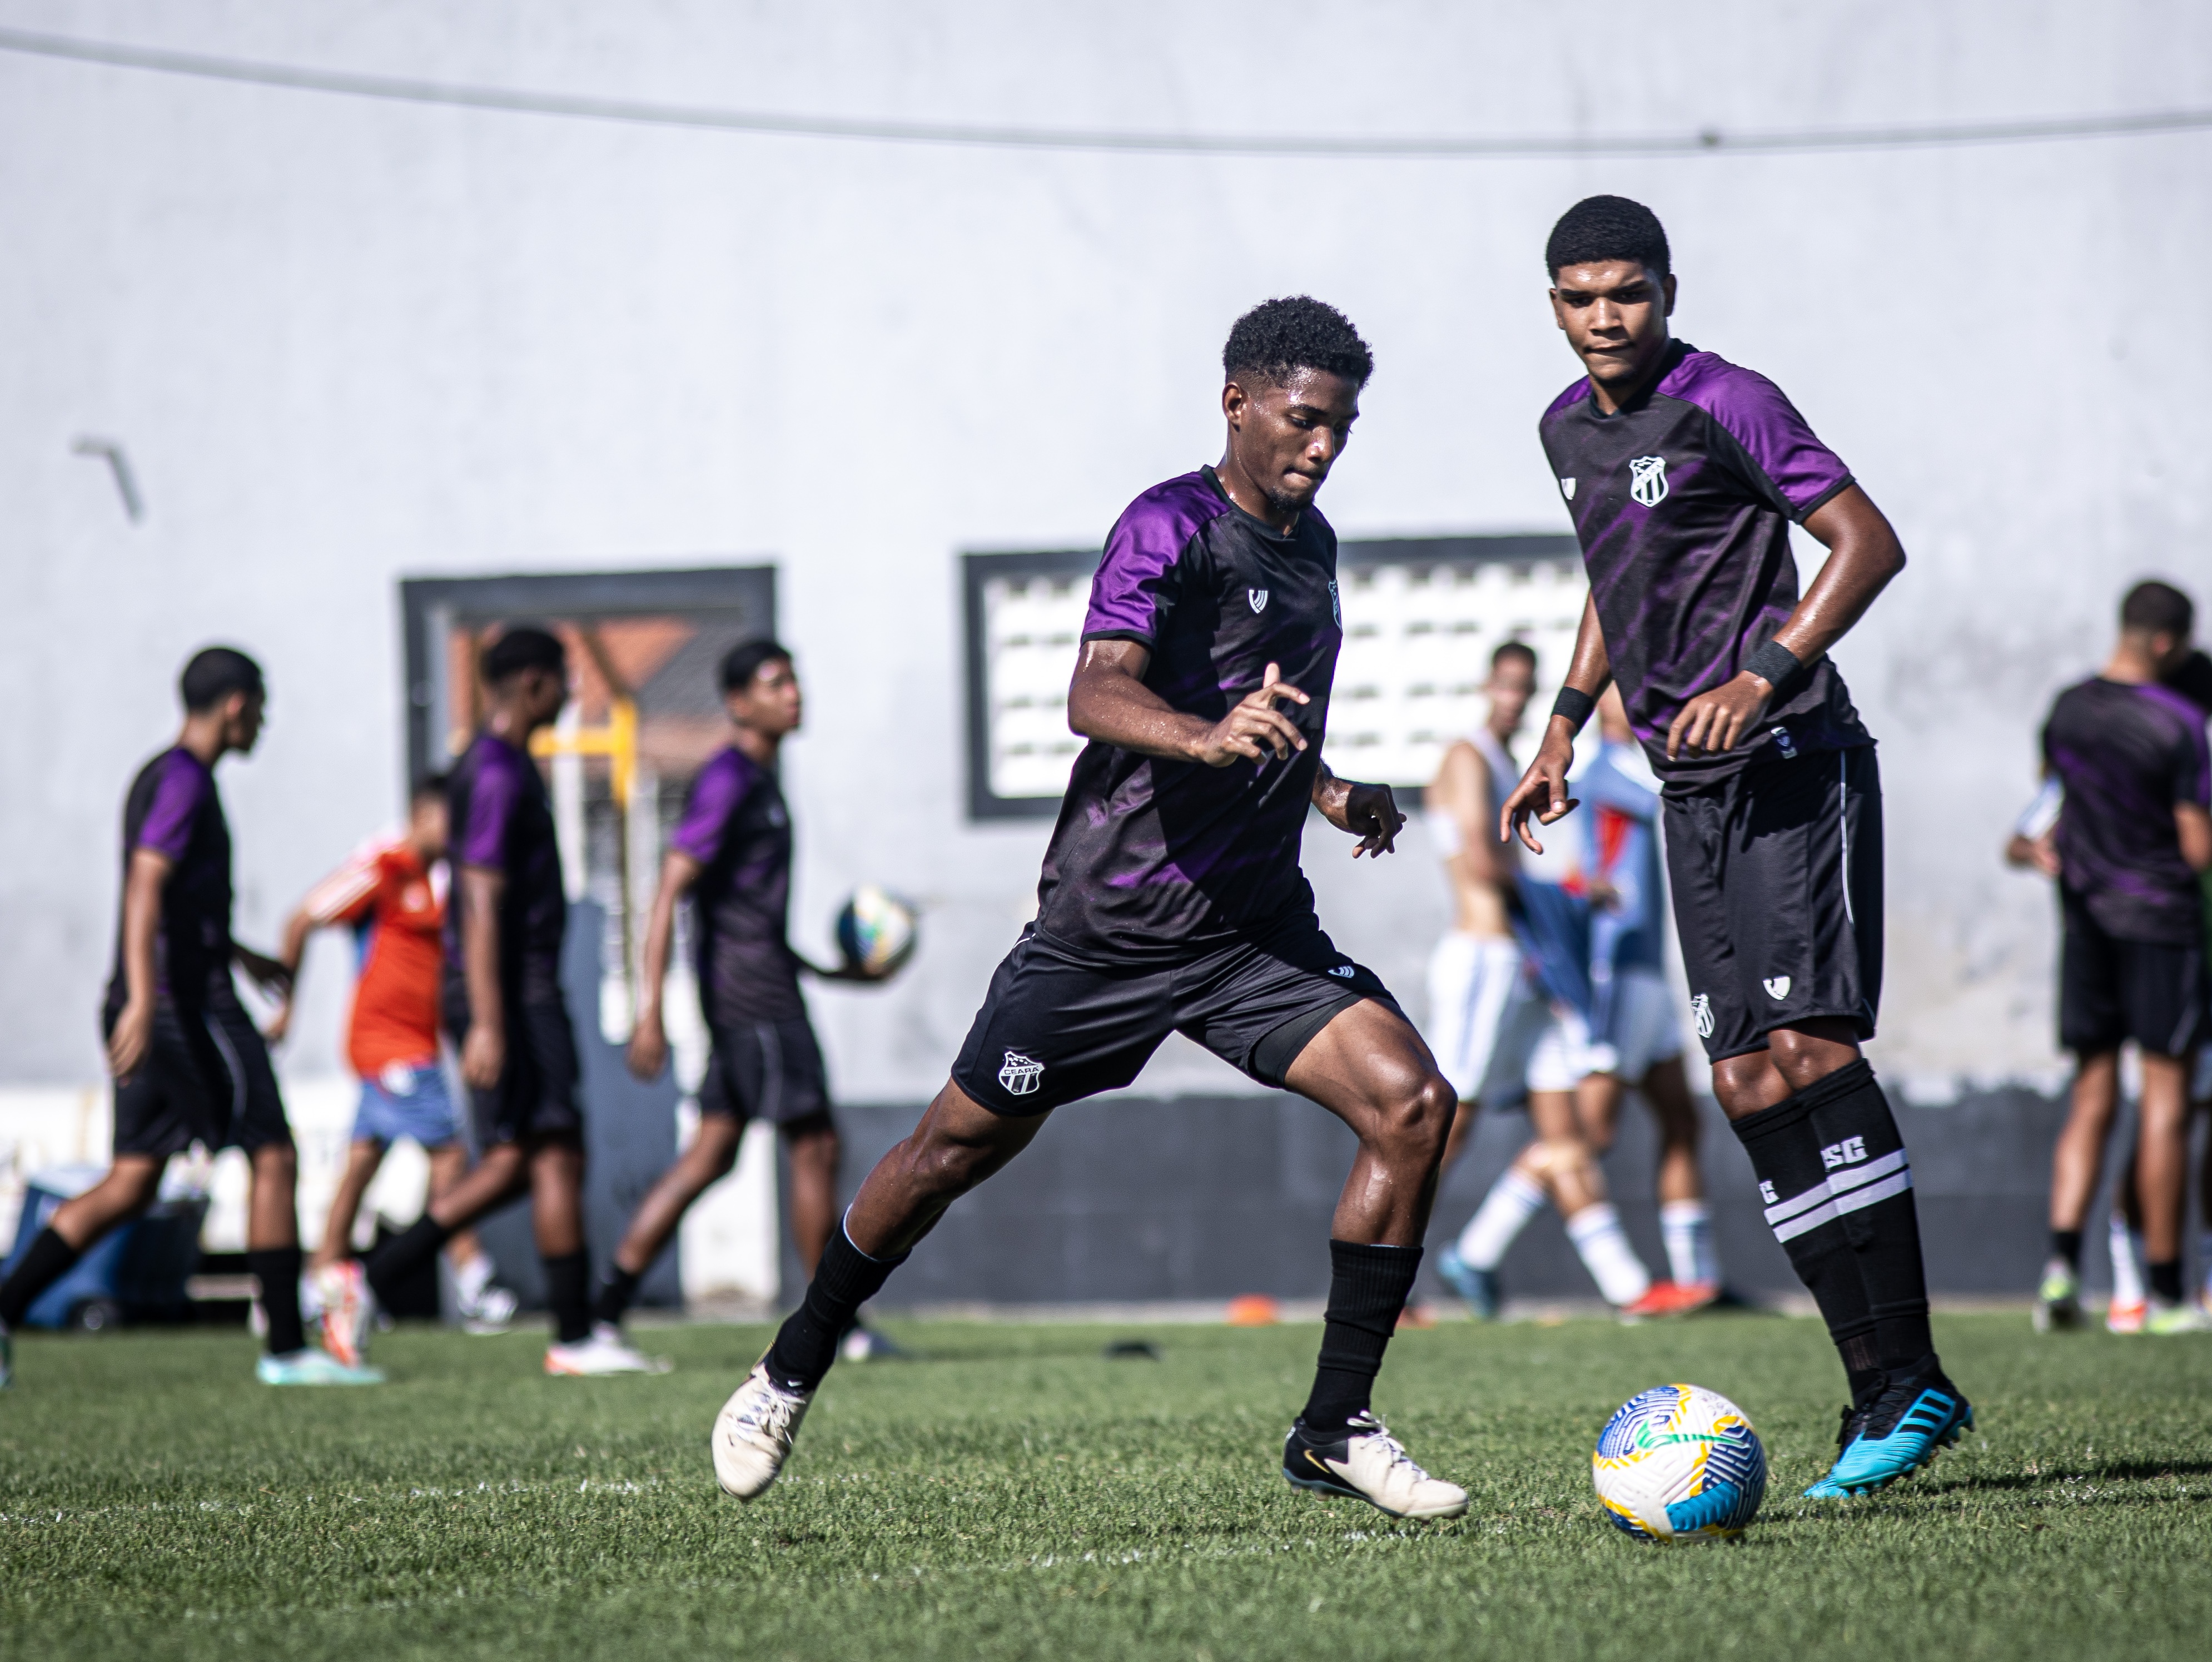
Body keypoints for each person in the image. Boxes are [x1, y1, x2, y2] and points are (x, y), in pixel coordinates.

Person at [709, 296, 1470, 1521]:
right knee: (951, 1152)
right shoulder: (1166, 525)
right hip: (1106, 932)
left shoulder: (1313, 545)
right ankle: (789, 1368)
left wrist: (1325, 784)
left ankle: (1334, 1426)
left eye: (1342, 427)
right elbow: (1093, 692)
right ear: (1238, 401)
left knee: (1415, 1106)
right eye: (1304, 419)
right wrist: (1203, 737)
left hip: (1250, 935)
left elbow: (1270, 705)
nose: (1323, 446)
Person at [1501, 195, 1960, 1499]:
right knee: (1746, 1086)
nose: (1606, 318)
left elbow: (1867, 544)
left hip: (1790, 760)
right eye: (1582, 297)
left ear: (1665, 292)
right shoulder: (1560, 431)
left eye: (1627, 294)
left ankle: (1906, 1376)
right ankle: (1874, 1384)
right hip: (1683, 789)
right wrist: (1560, 730)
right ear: (1553, 306)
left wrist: (1761, 677)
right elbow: (1615, 577)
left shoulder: (1729, 400)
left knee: (1810, 1048)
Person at [0, 648, 379, 1387]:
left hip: (165, 996)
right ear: (236, 704)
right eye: (261, 706)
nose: (264, 722)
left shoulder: (165, 775)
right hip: (183, 1008)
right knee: (272, 1152)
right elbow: (146, 885)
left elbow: (177, 906)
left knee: (132, 1182)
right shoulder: (183, 780)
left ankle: (3, 1307)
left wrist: (241, 954)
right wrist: (146, 999)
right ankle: (287, 1350)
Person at [353, 626, 661, 1375]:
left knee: (529, 1158)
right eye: (564, 679)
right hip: (511, 996)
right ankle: (574, 1334)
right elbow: (482, 903)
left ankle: (375, 1275)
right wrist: (489, 1020)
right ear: (530, 685)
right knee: (555, 1153)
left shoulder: (504, 766)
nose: (572, 694)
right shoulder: (493, 773)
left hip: (517, 994)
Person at [599, 639, 896, 1357]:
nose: (792, 692)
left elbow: (749, 913)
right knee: (813, 1145)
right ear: (738, 703)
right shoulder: (728, 779)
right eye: (773, 683)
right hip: (753, 1000)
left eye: (793, 678)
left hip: (764, 985)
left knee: (710, 1156)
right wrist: (649, 1013)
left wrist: (828, 972)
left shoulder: (760, 780)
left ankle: (598, 1313)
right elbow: (671, 887)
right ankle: (837, 1326)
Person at [2012, 637, 2212, 1332]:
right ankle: (2163, 1293)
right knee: (2166, 1108)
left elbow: (2025, 830)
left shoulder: (2077, 728)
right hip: (2164, 937)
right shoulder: (2175, 735)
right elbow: (2199, 853)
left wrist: (2040, 850)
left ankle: (2062, 1272)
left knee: (2095, 1099)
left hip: (2088, 929)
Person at [1426, 645, 1672, 1323]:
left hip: (1527, 967)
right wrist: (1571, 892)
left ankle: (1625, 1285)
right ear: (1485, 685)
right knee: (1451, 1122)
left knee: (1570, 1125)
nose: (1514, 698)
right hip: (1483, 959)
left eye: (1524, 688)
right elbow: (1481, 861)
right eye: (1504, 686)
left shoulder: (1511, 762)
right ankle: (1388, 1277)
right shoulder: (1468, 756)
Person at [265, 776, 517, 1348]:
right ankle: (473, 1275)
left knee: (361, 1163)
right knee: (450, 1154)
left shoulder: (442, 879)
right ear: (423, 816)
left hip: (411, 1044)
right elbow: (302, 919)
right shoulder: (384, 865)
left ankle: (316, 1281)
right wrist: (285, 1009)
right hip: (391, 1045)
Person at [1572, 686, 1723, 1312]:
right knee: (1586, 1135)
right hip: (1619, 967)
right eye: (1614, 690)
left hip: (1651, 969)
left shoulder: (1636, 766)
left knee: (1682, 1122)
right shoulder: (1604, 771)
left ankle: (1698, 1281)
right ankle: (1478, 1251)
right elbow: (1674, 801)